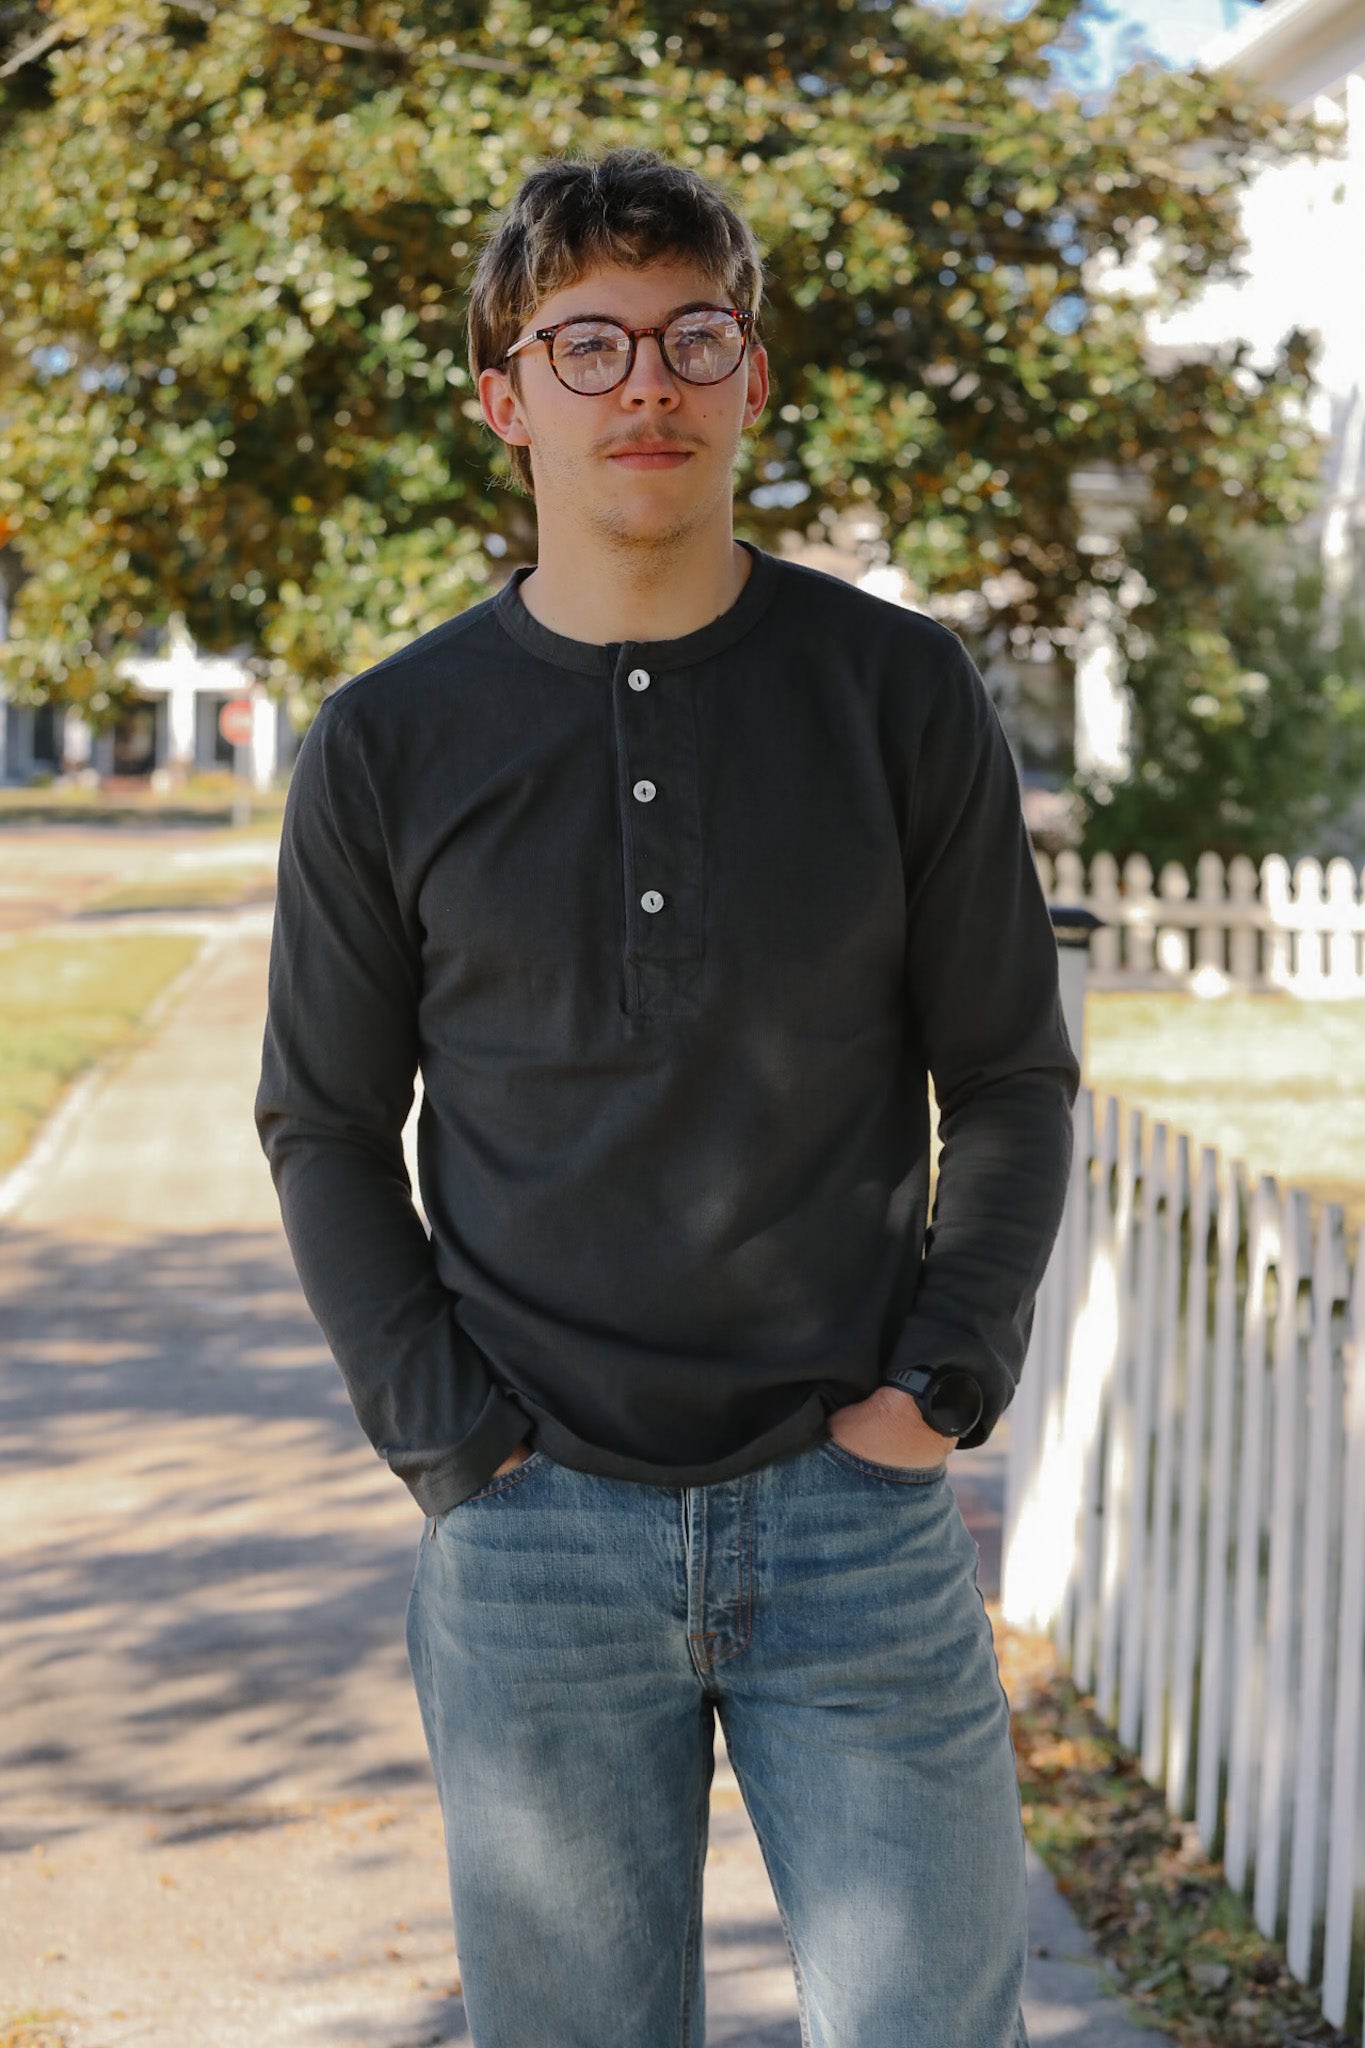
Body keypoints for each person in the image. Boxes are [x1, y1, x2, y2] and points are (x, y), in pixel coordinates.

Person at [256, 144, 1080, 2048]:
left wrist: (935, 1388)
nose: (649, 382)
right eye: (591, 342)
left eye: (696, 334)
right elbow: (319, 1120)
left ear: (752, 379)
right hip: (536, 1534)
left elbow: (1015, 1078)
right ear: (504, 396)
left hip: (851, 1520)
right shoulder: (386, 741)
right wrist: (451, 1444)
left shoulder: (896, 690)